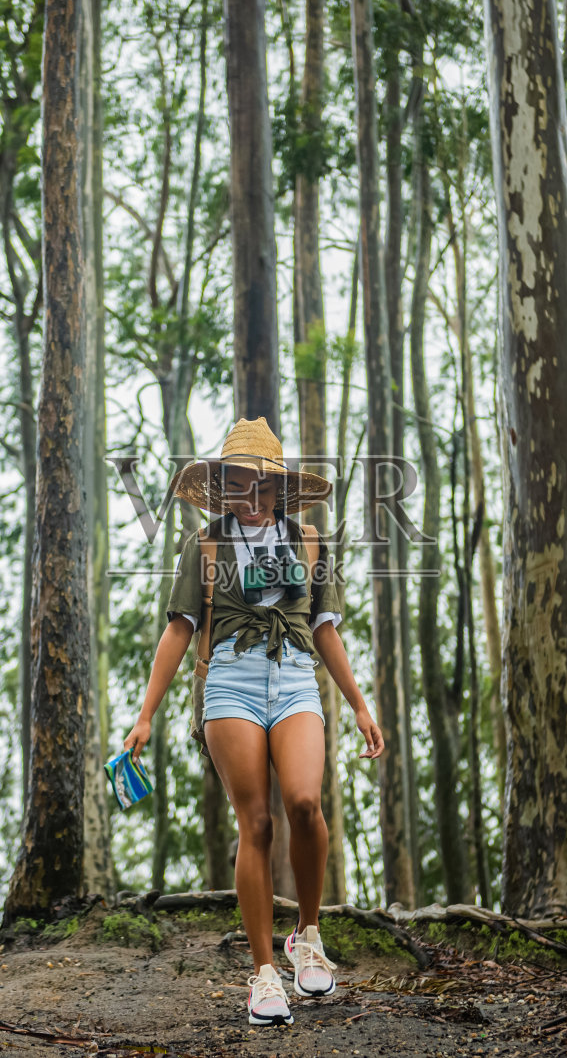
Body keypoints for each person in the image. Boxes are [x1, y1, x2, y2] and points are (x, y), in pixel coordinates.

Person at [122, 417, 385, 1027]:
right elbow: (179, 628)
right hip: (230, 682)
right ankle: (265, 974)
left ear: (281, 489)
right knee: (257, 822)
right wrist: (144, 717)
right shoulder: (206, 546)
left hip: (294, 678)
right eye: (239, 485)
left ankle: (308, 936)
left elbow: (325, 628)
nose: (252, 497)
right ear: (223, 489)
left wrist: (360, 704)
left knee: (304, 804)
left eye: (263, 486)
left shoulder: (311, 541)